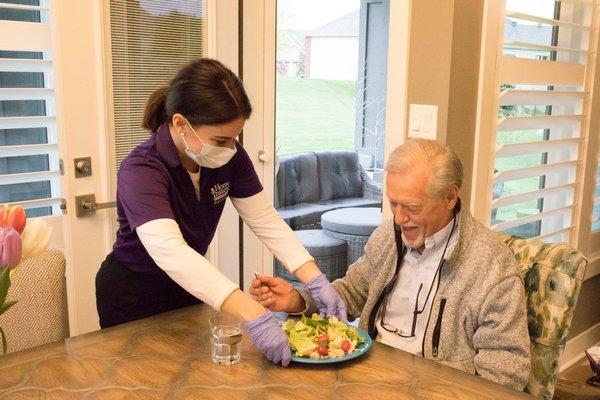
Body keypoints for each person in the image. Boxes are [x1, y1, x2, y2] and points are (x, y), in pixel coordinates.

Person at [95, 58, 346, 367]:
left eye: (235, 137)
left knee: (188, 377)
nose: (231, 148)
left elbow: (265, 219)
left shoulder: (229, 156)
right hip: (132, 293)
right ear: (180, 124)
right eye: (220, 140)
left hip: (189, 288)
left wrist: (316, 279)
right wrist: (255, 314)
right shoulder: (142, 168)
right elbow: (171, 252)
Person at [251, 138, 531, 389]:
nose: (398, 219)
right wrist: (298, 301)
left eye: (412, 208)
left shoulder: (491, 266)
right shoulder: (388, 235)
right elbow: (351, 292)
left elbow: (506, 373)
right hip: (368, 375)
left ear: (450, 197)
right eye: (394, 204)